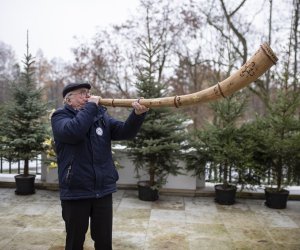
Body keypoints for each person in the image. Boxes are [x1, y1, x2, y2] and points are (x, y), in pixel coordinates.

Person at [51, 82, 148, 250]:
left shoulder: (100, 117)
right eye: (81, 93)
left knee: (104, 241)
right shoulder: (60, 117)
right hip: (76, 191)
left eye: (88, 93)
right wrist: (90, 108)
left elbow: (125, 132)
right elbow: (74, 132)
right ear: (68, 100)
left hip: (102, 190)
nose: (87, 96)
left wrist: (137, 115)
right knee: (75, 242)